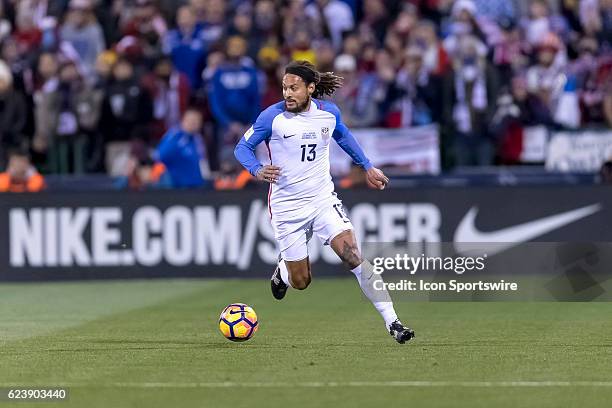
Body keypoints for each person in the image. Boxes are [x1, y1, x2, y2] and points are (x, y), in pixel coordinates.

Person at [234, 60, 415, 344]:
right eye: (284, 87)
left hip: (321, 200)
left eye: (293, 88)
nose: (287, 94)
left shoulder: (328, 114)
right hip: (287, 207)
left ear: (310, 88)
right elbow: (242, 147)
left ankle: (394, 323)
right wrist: (256, 169)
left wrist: (367, 166)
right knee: (301, 282)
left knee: (353, 256)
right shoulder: (272, 117)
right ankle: (284, 269)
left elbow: (343, 135)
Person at [157, 107, 209, 188]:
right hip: (178, 187)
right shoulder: (175, 136)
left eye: (197, 120)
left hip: (196, 186)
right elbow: (161, 155)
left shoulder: (198, 139)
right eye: (191, 120)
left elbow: (202, 160)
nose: (194, 123)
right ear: (183, 120)